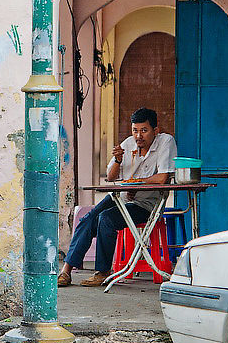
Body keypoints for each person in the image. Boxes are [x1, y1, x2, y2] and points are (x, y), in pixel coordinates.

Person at [58, 107, 177, 287]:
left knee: (106, 219)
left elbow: (163, 178)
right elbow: (111, 177)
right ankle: (66, 271)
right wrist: (118, 160)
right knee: (87, 219)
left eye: (144, 130)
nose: (139, 136)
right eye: (135, 130)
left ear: (155, 130)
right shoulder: (128, 144)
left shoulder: (165, 142)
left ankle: (103, 272)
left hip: (146, 205)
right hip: (121, 198)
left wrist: (136, 183)